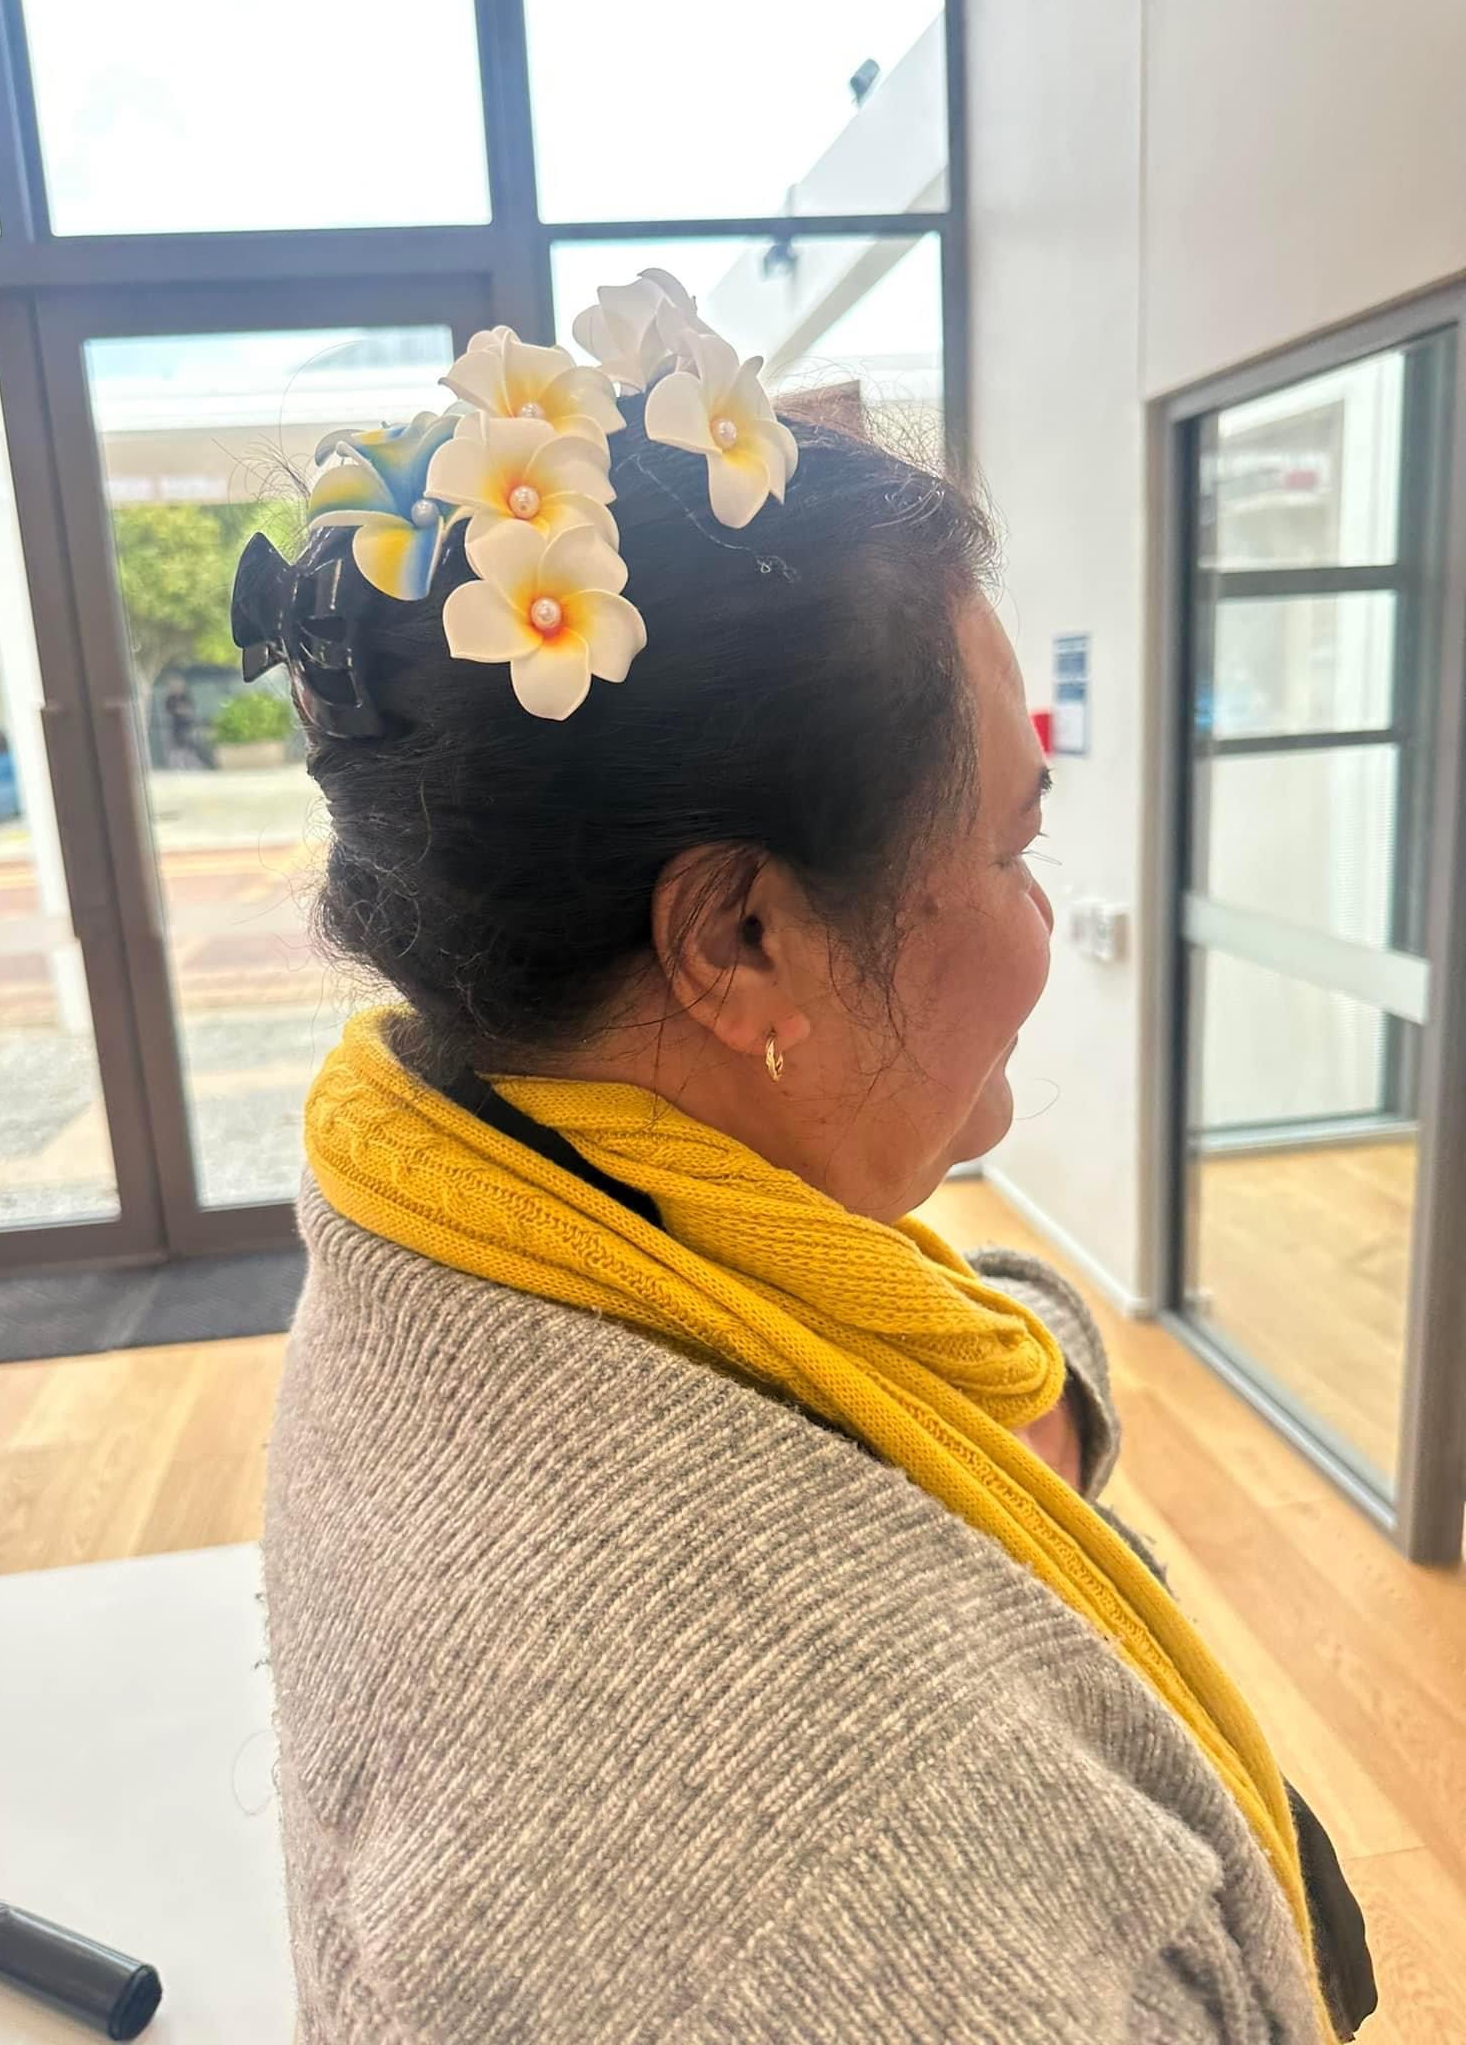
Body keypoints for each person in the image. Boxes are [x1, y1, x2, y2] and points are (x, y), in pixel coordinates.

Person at [239, 276, 1373, 2043]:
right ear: (742, 936)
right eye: (1011, 841)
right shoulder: (847, 1867)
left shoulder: (447, 1186)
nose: (1042, 918)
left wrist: (1040, 1397)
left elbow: (898, 1339)